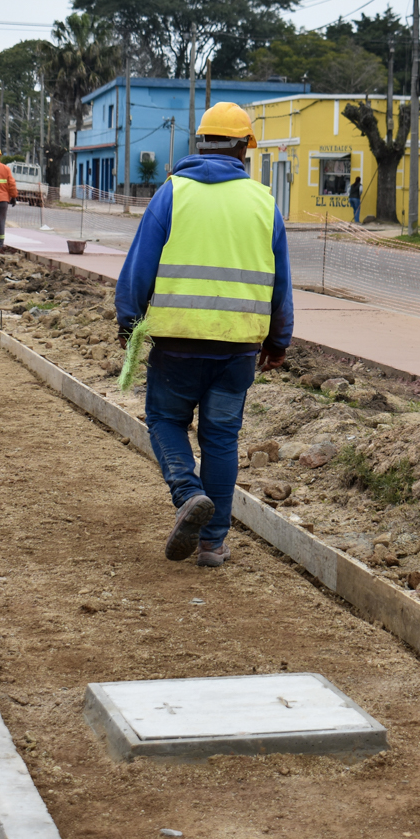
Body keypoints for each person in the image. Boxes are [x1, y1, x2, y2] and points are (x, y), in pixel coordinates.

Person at [115, 102, 293, 569]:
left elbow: (139, 266)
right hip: (238, 349)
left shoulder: (172, 194)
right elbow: (281, 281)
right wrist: (279, 340)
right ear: (244, 148)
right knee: (220, 438)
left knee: (166, 421)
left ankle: (188, 493)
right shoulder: (263, 202)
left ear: (198, 144)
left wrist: (128, 321)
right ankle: (212, 544)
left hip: (177, 344)